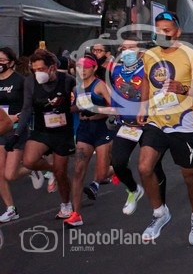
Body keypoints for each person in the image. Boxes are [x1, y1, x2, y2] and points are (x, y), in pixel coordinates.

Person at [136, 12, 193, 245]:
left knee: (189, 176)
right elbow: (147, 80)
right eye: (158, 30)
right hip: (156, 120)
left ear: (177, 32)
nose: (162, 34)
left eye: (166, 30)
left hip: (183, 123)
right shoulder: (150, 55)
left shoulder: (191, 55)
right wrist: (142, 106)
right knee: (144, 167)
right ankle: (160, 212)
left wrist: (183, 89)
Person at [10, 48, 76, 219]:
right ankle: (52, 170)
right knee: (29, 161)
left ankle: (66, 204)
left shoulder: (67, 80)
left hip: (62, 132)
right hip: (42, 129)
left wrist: (72, 106)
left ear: (52, 67)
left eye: (41, 69)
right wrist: (16, 134)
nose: (37, 73)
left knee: (61, 173)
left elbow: (81, 101)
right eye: (34, 70)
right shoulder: (30, 82)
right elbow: (26, 109)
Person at [109, 37, 166, 216]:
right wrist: (115, 111)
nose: (126, 52)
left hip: (149, 124)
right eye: (123, 48)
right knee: (118, 163)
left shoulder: (150, 70)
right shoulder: (116, 70)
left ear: (141, 52)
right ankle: (134, 189)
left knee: (153, 167)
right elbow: (116, 92)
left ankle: (161, 206)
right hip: (127, 125)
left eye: (131, 48)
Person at [63, 54, 114, 227]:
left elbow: (114, 108)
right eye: (79, 67)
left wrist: (95, 110)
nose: (82, 70)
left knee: (101, 173)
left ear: (94, 68)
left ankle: (116, 169)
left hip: (101, 129)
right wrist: (64, 108)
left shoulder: (100, 85)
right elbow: (76, 107)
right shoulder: (77, 88)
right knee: (78, 170)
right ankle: (76, 214)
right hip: (84, 130)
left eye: (86, 67)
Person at [0, 47, 45, 223]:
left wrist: (16, 117)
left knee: (10, 174)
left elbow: (30, 106)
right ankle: (11, 209)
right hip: (1, 128)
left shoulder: (21, 81)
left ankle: (32, 168)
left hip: (16, 129)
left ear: (11, 62)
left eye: (2, 60)